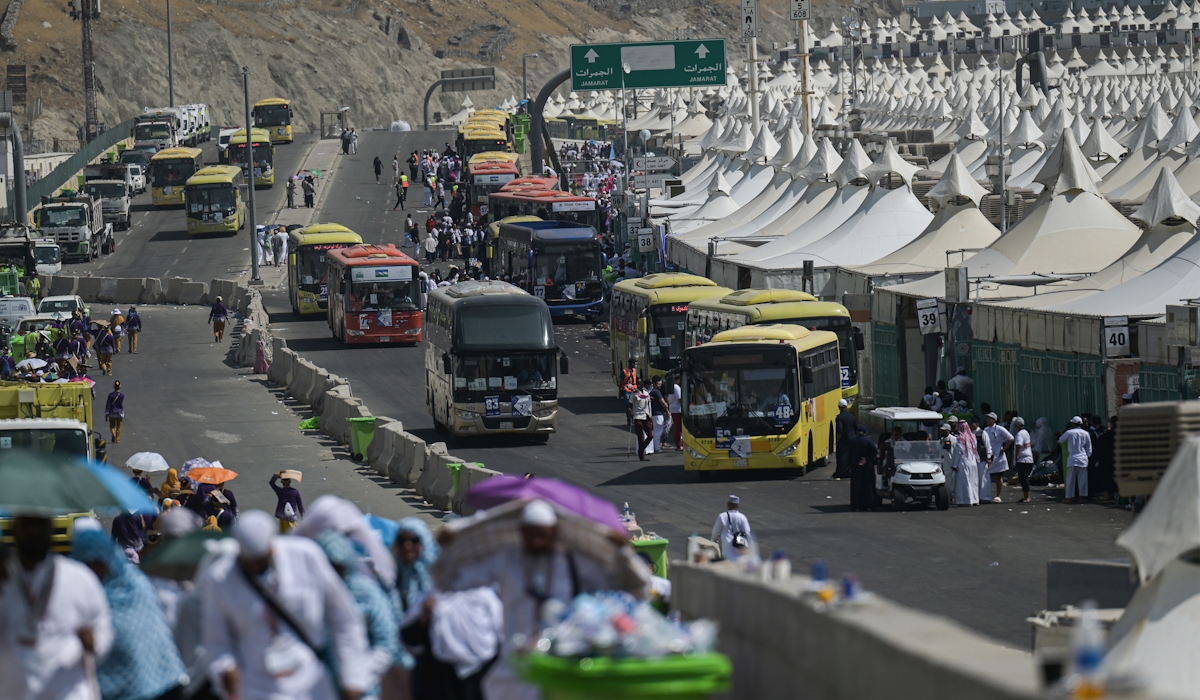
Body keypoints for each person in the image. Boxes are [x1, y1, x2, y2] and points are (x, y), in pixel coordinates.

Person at [443, 500, 626, 700]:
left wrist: (621, 551)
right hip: (514, 669)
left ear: (554, 533)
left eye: (542, 536)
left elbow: (624, 582)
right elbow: (454, 581)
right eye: (530, 536)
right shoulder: (506, 560)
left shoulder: (572, 562)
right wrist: (448, 547)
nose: (536, 542)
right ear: (521, 532)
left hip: (559, 668)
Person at [197, 511, 372, 700]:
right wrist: (225, 669)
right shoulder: (220, 579)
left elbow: (344, 620)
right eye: (250, 564)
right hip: (256, 687)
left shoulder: (306, 557)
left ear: (273, 547)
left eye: (262, 562)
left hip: (311, 684)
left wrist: (353, 679)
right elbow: (216, 642)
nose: (257, 569)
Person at [0, 516, 114, 700]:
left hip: (67, 693)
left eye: (41, 524)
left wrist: (94, 642)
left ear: (51, 529)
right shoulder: (5, 579)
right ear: (15, 529)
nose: (34, 531)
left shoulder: (79, 578)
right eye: (27, 524)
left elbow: (103, 630)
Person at [70, 529, 188, 700]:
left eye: (99, 562)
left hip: (164, 682)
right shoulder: (84, 596)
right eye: (88, 564)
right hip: (116, 689)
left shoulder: (136, 584)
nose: (95, 569)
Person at [316, 531, 400, 700]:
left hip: (362, 689)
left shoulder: (366, 593)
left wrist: (357, 678)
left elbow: (386, 641)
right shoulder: (310, 594)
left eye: (338, 567)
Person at [1059, 416, 1093, 504]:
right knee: (1083, 480)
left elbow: (1061, 440)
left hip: (1072, 459)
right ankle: (1082, 497)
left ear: (1073, 424)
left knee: (1070, 479)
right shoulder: (1086, 433)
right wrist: (1088, 456)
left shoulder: (1069, 433)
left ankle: (1068, 498)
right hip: (1083, 458)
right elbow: (1089, 448)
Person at [983, 412, 1014, 503]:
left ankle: (998, 495)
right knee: (986, 476)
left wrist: (1004, 449)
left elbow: (1011, 438)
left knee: (998, 475)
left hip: (998, 455)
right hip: (989, 455)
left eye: (989, 418)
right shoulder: (985, 430)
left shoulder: (1000, 429)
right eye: (987, 418)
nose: (987, 420)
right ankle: (986, 495)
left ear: (994, 420)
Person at [711, 495, 752, 561]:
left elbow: (716, 532)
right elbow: (747, 533)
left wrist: (714, 540)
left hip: (727, 552)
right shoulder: (742, 517)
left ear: (728, 504)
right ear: (738, 506)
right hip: (740, 552)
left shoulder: (722, 516)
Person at [952, 420, 981, 506]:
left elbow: (959, 451)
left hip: (963, 462)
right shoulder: (973, 436)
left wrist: (954, 465)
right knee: (973, 481)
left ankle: (966, 500)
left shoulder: (960, 438)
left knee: (964, 482)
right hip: (973, 461)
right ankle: (975, 499)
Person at [849, 425, 877, 511]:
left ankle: (856, 506)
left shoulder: (853, 441)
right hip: (867, 467)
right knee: (868, 486)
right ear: (866, 433)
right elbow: (875, 450)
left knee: (856, 487)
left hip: (856, 466)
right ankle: (869, 506)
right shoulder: (868, 441)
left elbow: (849, 454)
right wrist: (867, 459)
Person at [1093, 416, 1118, 501]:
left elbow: (1105, 447)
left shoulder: (1109, 433)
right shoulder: (1121, 432)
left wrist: (1100, 458)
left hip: (1110, 457)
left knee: (1107, 476)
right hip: (1119, 457)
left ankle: (1106, 494)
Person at [1012, 417, 1034, 503]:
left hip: (1022, 459)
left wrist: (1016, 456)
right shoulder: (1026, 432)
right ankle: (1026, 496)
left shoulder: (1019, 434)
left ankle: (1027, 497)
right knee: (1025, 479)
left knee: (1023, 479)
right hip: (1029, 458)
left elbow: (1018, 445)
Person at [631, 378, 653, 461]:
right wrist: (631, 412)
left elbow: (648, 404)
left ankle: (641, 449)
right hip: (638, 417)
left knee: (650, 436)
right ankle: (641, 455)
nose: (640, 385)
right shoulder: (634, 394)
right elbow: (630, 406)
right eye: (638, 383)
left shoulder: (646, 393)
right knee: (641, 437)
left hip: (646, 416)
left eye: (641, 383)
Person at [834, 399, 857, 478]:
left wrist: (839, 439)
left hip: (844, 440)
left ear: (839, 407)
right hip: (853, 439)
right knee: (851, 456)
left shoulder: (839, 417)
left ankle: (842, 473)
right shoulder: (851, 415)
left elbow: (840, 430)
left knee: (842, 457)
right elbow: (856, 427)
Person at [649, 375, 669, 453]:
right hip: (658, 414)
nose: (660, 384)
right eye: (658, 383)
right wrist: (667, 411)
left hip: (654, 414)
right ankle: (657, 448)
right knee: (658, 432)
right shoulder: (657, 392)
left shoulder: (651, 392)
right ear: (654, 384)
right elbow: (663, 403)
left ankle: (654, 446)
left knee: (655, 431)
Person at [667, 373, 683, 450]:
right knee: (678, 427)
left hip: (673, 408)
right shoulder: (677, 387)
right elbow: (679, 398)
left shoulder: (671, 386)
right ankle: (679, 444)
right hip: (678, 409)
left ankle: (678, 442)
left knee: (677, 426)